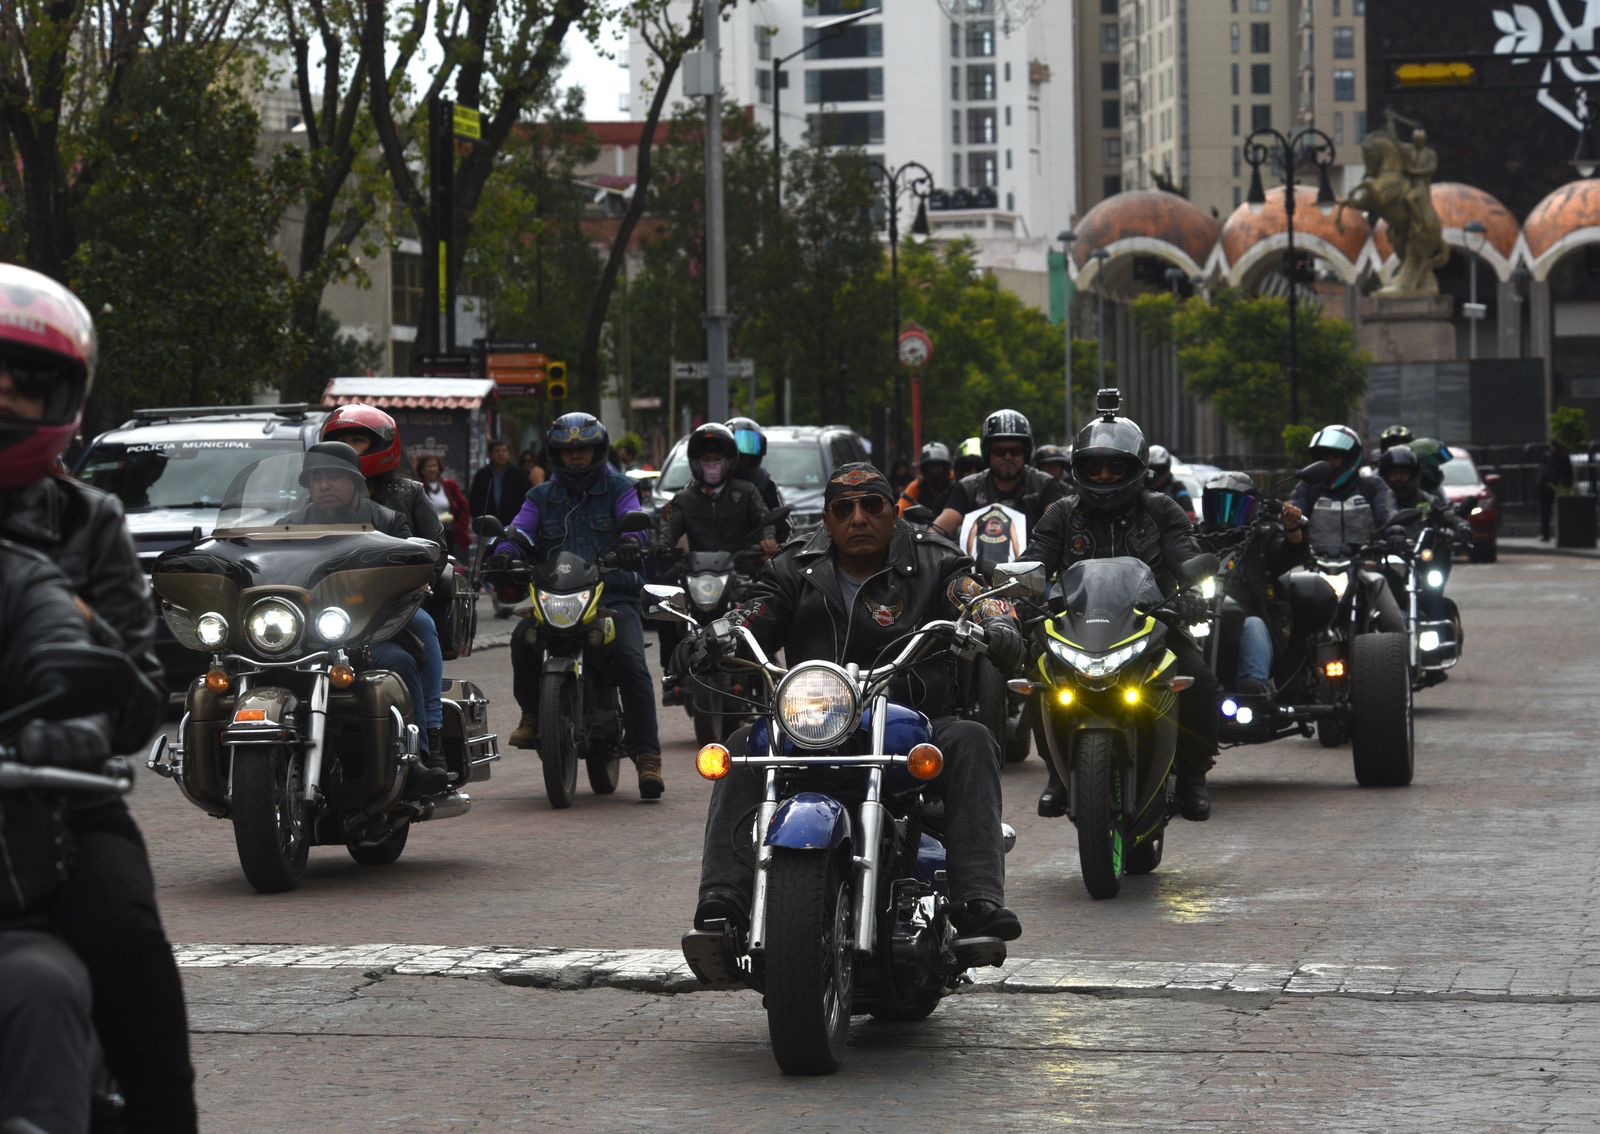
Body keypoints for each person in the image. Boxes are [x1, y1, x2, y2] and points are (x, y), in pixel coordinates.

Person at [0, 261, 198, 1132]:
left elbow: (134, 680)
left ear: (64, 400)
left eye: (24, 389)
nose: (3, 405)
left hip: (54, 803)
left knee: (126, 942)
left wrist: (75, 727)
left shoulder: (87, 523)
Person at [691, 462, 1026, 942]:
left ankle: (977, 899)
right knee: (745, 744)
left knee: (971, 738)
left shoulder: (934, 559)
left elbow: (971, 595)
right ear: (828, 521)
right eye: (843, 509)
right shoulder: (795, 566)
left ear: (894, 513)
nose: (858, 518)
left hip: (916, 719)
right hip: (811, 721)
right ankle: (724, 900)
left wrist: (998, 622)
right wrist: (713, 637)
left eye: (872, 505)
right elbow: (753, 612)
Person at [1, 540, 161, 1134]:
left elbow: (67, 648)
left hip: (50, 823)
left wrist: (68, 727)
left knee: (91, 957)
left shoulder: (20, 578)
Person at [1021, 402, 1220, 822]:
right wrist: (1022, 591)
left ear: (1136, 468)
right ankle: (1058, 775)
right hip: (1076, 628)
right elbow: (1035, 560)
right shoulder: (1061, 513)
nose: (1105, 477)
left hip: (1154, 624)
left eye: (1115, 468)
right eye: (1096, 468)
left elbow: (1186, 553)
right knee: (1039, 674)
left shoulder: (1161, 509)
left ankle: (1192, 777)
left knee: (1199, 679)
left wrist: (1193, 583)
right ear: (1080, 469)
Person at [492, 412, 663, 798]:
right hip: (556, 596)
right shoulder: (540, 496)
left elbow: (633, 519)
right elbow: (519, 528)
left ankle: (648, 755)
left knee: (632, 660)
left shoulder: (619, 488)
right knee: (523, 639)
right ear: (555, 454)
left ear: (597, 451)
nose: (576, 458)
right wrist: (504, 550)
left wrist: (633, 541)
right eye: (568, 451)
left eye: (583, 450)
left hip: (612, 596)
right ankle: (534, 715)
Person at [281, 442, 448, 793]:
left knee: (403, 658)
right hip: (306, 635)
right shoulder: (288, 526)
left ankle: (422, 753)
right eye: (317, 479)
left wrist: (414, 575)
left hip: (371, 629)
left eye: (334, 478)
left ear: (356, 482)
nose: (324, 485)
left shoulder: (388, 520)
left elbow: (413, 565)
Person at [321, 405, 448, 784]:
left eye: (357, 440)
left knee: (423, 627)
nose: (348, 449)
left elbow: (433, 549)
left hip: (389, 604)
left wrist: (419, 575)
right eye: (340, 441)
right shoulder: (305, 509)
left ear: (383, 447)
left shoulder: (404, 496)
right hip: (326, 609)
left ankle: (433, 734)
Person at [657, 423, 771, 698]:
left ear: (730, 461)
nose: (711, 465)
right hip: (695, 572)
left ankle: (767, 675)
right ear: (695, 463)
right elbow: (667, 529)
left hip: (740, 568)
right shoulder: (685, 498)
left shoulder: (746, 492)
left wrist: (767, 542)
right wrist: (660, 546)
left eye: (716, 459)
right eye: (705, 460)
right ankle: (672, 671)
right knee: (664, 606)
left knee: (767, 607)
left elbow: (764, 521)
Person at [1199, 472, 1308, 697]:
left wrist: (1291, 529)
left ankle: (1253, 687)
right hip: (1200, 618)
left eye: (1234, 507)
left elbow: (1290, 554)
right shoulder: (1193, 539)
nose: (1225, 515)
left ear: (1252, 510)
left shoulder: (1261, 540)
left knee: (1254, 625)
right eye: (1218, 505)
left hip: (1248, 622)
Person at [1289, 424, 1406, 632]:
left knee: (1394, 620)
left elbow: (1387, 512)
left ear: (1351, 458)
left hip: (1363, 566)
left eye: (1335, 457)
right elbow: (1293, 513)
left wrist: (1394, 530)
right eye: (1324, 458)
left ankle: (1401, 659)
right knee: (1285, 614)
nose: (1330, 464)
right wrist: (1281, 523)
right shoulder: (1308, 487)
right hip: (1315, 567)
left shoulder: (1372, 486)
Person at [930, 409, 1068, 548]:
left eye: (1015, 451)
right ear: (988, 453)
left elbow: (1059, 526)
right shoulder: (968, 487)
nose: (1007, 457)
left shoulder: (1044, 484)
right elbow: (939, 529)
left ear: (1025, 453)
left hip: (1036, 565)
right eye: (1000, 451)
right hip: (974, 567)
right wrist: (928, 547)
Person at [1378, 444, 1472, 542]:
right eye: (1393, 474)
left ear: (1414, 476)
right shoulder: (1379, 502)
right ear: (1385, 476)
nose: (1399, 478)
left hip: (1421, 553)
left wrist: (1461, 525)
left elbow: (1446, 513)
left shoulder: (1426, 500)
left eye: (1404, 473)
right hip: (1382, 554)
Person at [725, 416, 789, 552]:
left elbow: (785, 527)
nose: (744, 454)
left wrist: (774, 545)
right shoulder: (705, 479)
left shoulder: (764, 482)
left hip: (751, 555)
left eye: (752, 444)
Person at [415, 452, 472, 556]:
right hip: (428, 535)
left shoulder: (450, 486)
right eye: (429, 466)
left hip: (449, 534)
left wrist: (460, 525)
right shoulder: (418, 488)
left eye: (434, 466)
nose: (432, 469)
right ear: (422, 470)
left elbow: (464, 507)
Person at [468, 439, 526, 529]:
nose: (501, 454)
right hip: (487, 525)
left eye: (504, 450)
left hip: (513, 524)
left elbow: (525, 497)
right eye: (497, 451)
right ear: (490, 455)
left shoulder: (518, 474)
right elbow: (474, 499)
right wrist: (479, 518)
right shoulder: (482, 474)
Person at [897, 440, 956, 517]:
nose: (935, 471)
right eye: (931, 467)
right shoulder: (918, 485)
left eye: (939, 467)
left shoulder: (955, 482)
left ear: (946, 467)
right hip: (924, 527)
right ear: (924, 468)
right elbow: (900, 511)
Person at [1146, 444, 1194, 515]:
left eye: (1160, 469)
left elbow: (1189, 513)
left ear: (1167, 468)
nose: (1155, 474)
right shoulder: (1139, 487)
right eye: (1151, 469)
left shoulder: (1177, 487)